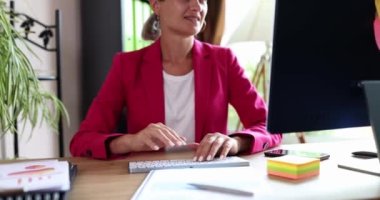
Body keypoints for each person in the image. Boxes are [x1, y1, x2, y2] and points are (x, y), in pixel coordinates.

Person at [70, 0, 282, 161]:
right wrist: (131, 141)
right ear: (156, 5)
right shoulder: (127, 65)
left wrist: (234, 143)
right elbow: (82, 141)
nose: (196, 6)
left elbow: (268, 126)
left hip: (209, 179)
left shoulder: (224, 61)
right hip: (146, 180)